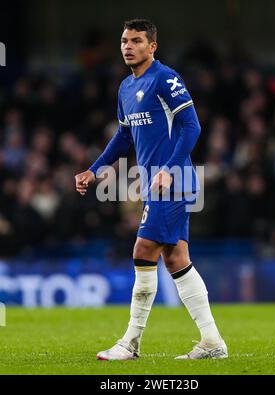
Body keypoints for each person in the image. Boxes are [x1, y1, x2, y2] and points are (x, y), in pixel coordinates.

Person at [75, 19, 227, 360]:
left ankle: (130, 342)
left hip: (174, 181)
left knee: (143, 249)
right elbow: (124, 137)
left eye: (137, 40)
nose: (128, 46)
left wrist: (169, 170)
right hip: (158, 184)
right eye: (124, 40)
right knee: (176, 259)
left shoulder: (165, 78)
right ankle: (212, 341)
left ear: (152, 46)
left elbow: (192, 126)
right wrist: (95, 169)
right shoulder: (126, 89)